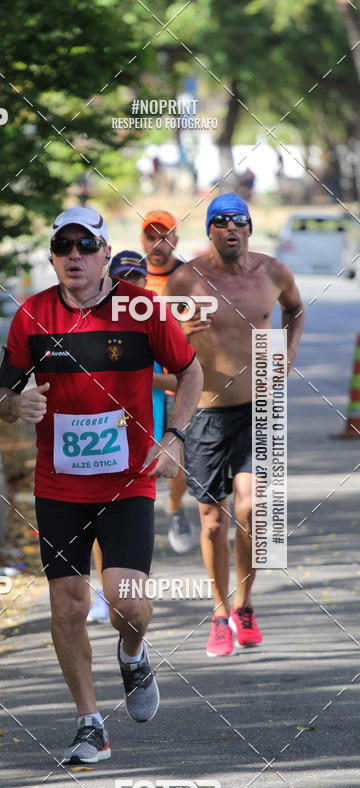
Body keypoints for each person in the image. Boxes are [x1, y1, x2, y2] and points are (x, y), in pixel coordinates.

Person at [0, 206, 203, 762]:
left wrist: (175, 436)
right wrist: (17, 403)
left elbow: (191, 370)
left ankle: (132, 654)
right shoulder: (32, 316)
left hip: (127, 480)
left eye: (87, 246)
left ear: (107, 252)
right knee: (66, 602)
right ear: (54, 256)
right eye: (64, 247)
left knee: (127, 601)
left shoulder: (141, 308)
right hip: (58, 484)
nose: (75, 256)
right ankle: (90, 724)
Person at [163, 193, 305, 657]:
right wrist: (179, 351)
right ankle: (220, 613)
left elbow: (295, 309)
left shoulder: (273, 273)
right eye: (220, 222)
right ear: (209, 231)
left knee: (251, 510)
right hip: (205, 414)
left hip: (259, 408)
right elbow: (163, 342)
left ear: (248, 228)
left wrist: (289, 348)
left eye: (238, 221)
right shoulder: (186, 279)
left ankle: (245, 606)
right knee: (211, 524)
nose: (230, 228)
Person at [86, 250, 149, 625]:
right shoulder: (95, 317)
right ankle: (106, 589)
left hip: (152, 427)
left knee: (137, 515)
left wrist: (139, 375)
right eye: (122, 276)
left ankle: (130, 586)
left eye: (136, 277)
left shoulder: (155, 317)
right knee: (100, 515)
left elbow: (186, 375)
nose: (129, 285)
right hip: (107, 434)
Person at [141, 211, 194, 554]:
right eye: (151, 236)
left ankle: (175, 506)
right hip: (137, 379)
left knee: (181, 460)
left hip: (178, 376)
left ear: (176, 240)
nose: (157, 244)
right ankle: (132, 519)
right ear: (141, 239)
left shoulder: (190, 278)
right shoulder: (130, 274)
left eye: (165, 236)